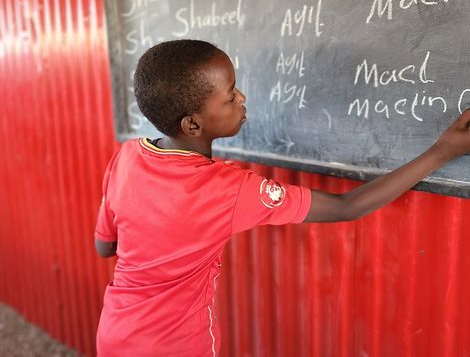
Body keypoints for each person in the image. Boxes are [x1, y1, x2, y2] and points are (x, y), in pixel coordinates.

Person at [95, 39, 470, 356]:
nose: (242, 98)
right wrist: (441, 152)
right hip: (176, 344)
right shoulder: (226, 189)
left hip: (115, 332)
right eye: (229, 97)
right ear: (193, 124)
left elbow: (104, 246)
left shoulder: (127, 157)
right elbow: (347, 206)